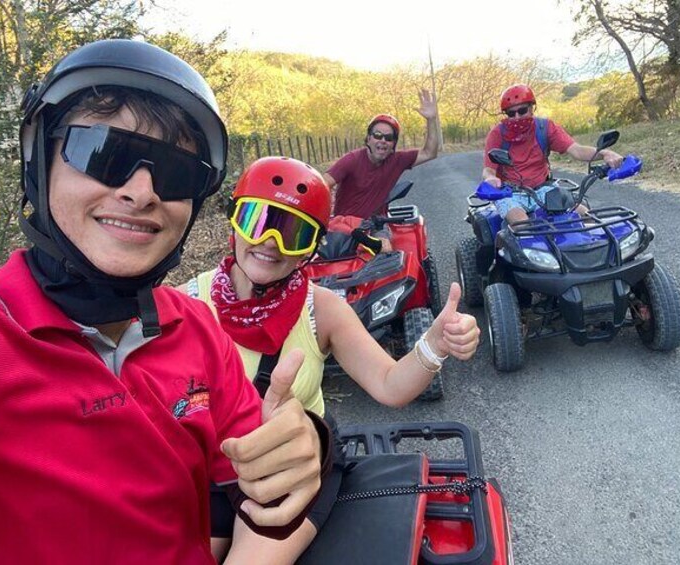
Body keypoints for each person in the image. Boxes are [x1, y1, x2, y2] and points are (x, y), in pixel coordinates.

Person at [0, 40, 332, 564]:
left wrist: (307, 442)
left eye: (175, 172)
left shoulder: (197, 328)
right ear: (39, 161)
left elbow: (258, 481)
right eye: (105, 153)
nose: (141, 191)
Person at [182, 156, 481, 564]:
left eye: (293, 232)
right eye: (258, 220)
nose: (270, 241)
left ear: (311, 249)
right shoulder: (184, 306)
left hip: (295, 467)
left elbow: (390, 385)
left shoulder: (319, 309)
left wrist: (434, 344)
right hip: (204, 470)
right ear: (234, 222)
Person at [481, 83, 624, 226]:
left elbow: (576, 150)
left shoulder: (545, 128)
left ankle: (592, 247)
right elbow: (489, 170)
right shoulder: (497, 134)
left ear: (532, 108)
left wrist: (605, 153)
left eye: (522, 110)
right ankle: (504, 248)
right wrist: (490, 179)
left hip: (543, 188)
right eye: (511, 113)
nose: (517, 117)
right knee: (522, 227)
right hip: (510, 193)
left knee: (584, 216)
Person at [323, 89, 440, 221]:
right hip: (344, 226)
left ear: (393, 144)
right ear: (368, 139)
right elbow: (321, 185)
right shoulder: (351, 160)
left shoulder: (397, 161)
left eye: (388, 137)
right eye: (377, 135)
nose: (383, 140)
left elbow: (430, 152)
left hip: (376, 225)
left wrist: (431, 119)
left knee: (384, 242)